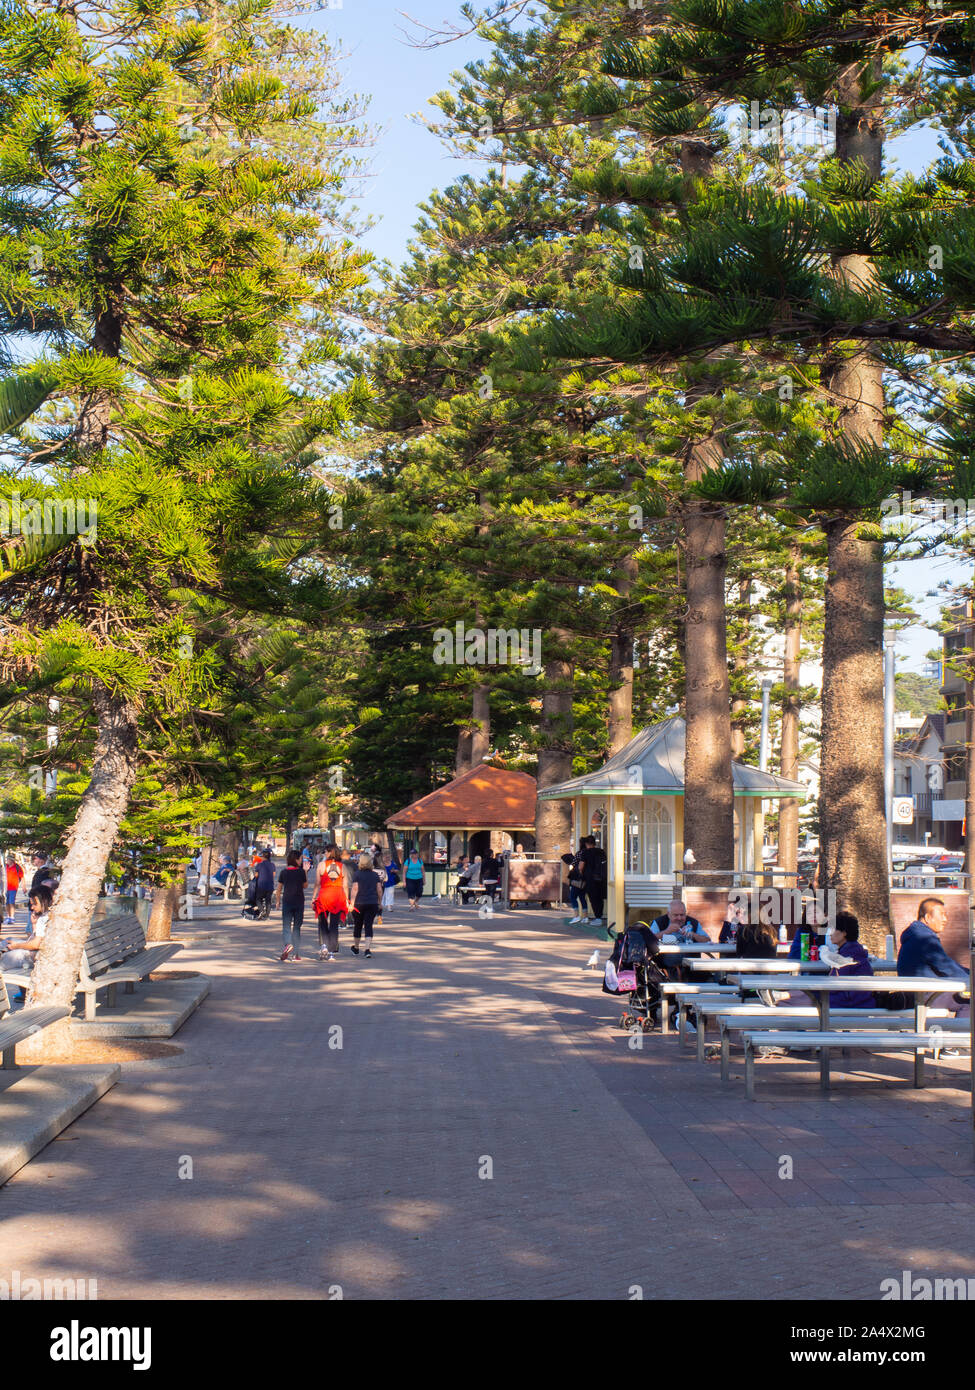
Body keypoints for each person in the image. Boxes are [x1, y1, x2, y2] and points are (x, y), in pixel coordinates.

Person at [897, 896, 970, 1017]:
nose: (945, 919)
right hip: (925, 995)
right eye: (941, 915)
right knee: (968, 1002)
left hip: (919, 992)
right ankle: (962, 1035)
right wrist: (969, 980)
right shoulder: (924, 939)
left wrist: (969, 974)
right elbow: (946, 967)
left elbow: (947, 964)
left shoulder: (917, 935)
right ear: (927, 917)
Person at [819, 911, 875, 1008]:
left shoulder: (849, 955)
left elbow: (834, 986)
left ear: (844, 933)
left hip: (851, 1004)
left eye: (833, 928)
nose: (829, 932)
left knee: (803, 1000)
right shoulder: (851, 951)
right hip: (851, 1001)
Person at [0, 886, 52, 978]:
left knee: (4, 959)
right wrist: (34, 924)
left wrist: (16, 946)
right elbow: (33, 938)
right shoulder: (49, 915)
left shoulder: (44, 918)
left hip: (37, 957)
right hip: (39, 953)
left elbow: (35, 944)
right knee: (8, 940)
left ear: (41, 901)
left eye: (34, 904)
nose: (32, 907)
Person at [314, 849, 348, 960]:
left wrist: (314, 897)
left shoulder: (321, 865)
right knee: (334, 925)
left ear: (329, 853)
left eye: (325, 852)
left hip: (324, 895)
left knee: (323, 922)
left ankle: (324, 945)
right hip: (338, 896)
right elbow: (345, 885)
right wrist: (347, 900)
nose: (324, 854)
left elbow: (317, 883)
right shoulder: (342, 866)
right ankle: (332, 952)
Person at [348, 852, 383, 957]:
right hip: (372, 902)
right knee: (368, 925)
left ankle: (356, 947)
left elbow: (355, 889)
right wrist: (379, 902)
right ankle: (367, 949)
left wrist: (352, 903)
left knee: (358, 925)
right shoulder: (375, 875)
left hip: (359, 903)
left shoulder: (357, 874)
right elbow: (379, 890)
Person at [275, 850, 307, 961]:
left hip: (287, 901)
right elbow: (305, 885)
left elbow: (279, 889)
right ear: (296, 860)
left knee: (286, 926)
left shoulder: (284, 872)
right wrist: (306, 871)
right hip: (299, 902)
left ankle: (288, 944)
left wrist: (278, 901)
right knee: (297, 927)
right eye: (300, 859)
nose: (301, 861)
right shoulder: (301, 872)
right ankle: (296, 954)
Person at [577, 835, 608, 926]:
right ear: (594, 843)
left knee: (593, 898)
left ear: (586, 844)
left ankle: (598, 918)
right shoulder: (601, 851)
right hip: (602, 878)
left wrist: (580, 873)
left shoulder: (585, 853)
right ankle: (600, 916)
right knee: (600, 898)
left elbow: (581, 866)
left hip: (590, 879)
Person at [564, 843, 590, 924]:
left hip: (578, 878)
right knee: (582, 897)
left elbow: (575, 864)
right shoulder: (590, 853)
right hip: (587, 878)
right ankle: (585, 917)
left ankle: (576, 916)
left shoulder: (580, 853)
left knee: (572, 896)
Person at [253, 849, 276, 917]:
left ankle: (262, 910)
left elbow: (256, 875)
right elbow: (273, 875)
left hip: (261, 885)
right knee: (268, 901)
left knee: (258, 899)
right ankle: (267, 915)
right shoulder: (272, 865)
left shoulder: (259, 865)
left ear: (263, 857)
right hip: (270, 886)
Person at [4, 854, 23, 925]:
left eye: (8, 859)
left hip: (13, 888)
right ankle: (8, 916)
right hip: (5, 888)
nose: (7, 861)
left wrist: (24, 887)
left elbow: (22, 877)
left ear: (12, 860)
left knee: (11, 902)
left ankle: (12, 917)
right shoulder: (5, 867)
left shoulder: (17, 867)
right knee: (6, 903)